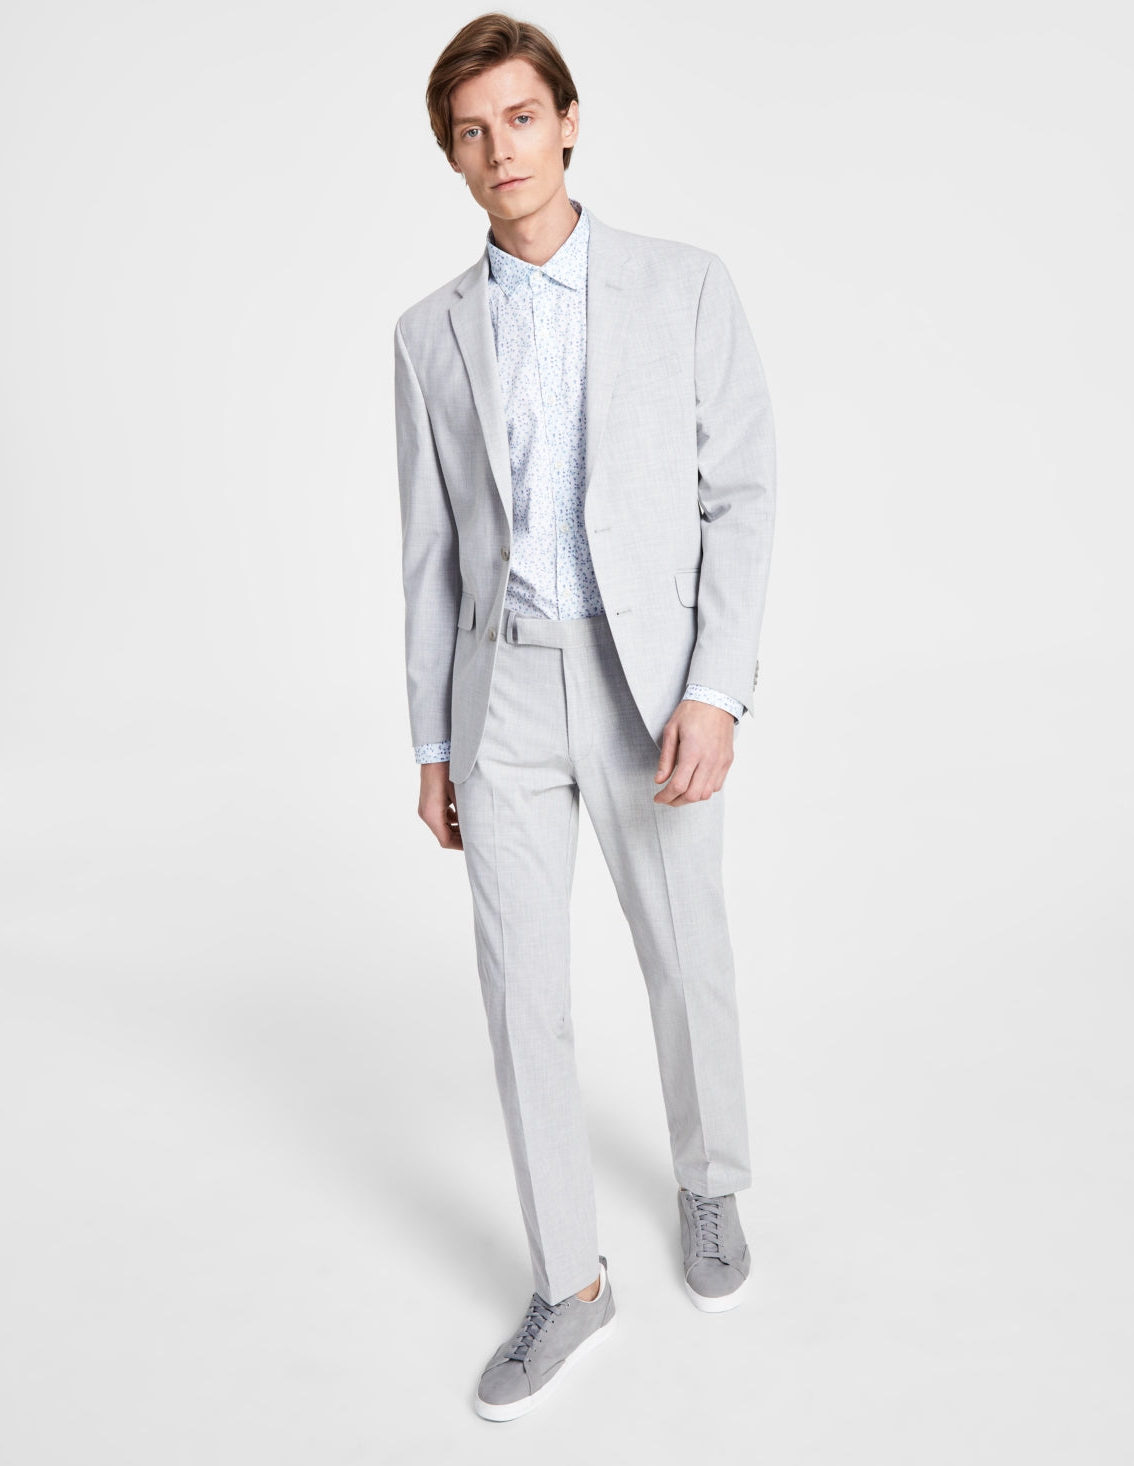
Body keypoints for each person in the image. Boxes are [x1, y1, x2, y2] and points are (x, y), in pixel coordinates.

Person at [393, 12, 777, 1422]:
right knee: (520, 993)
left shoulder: (684, 286)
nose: (500, 147)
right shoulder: (426, 336)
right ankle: (571, 1281)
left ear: (567, 121)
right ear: (453, 157)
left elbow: (743, 493)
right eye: (471, 131)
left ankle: (710, 1181)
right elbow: (430, 552)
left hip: (645, 681)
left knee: (686, 951)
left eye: (520, 116)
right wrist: (433, 743)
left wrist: (715, 688)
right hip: (498, 690)